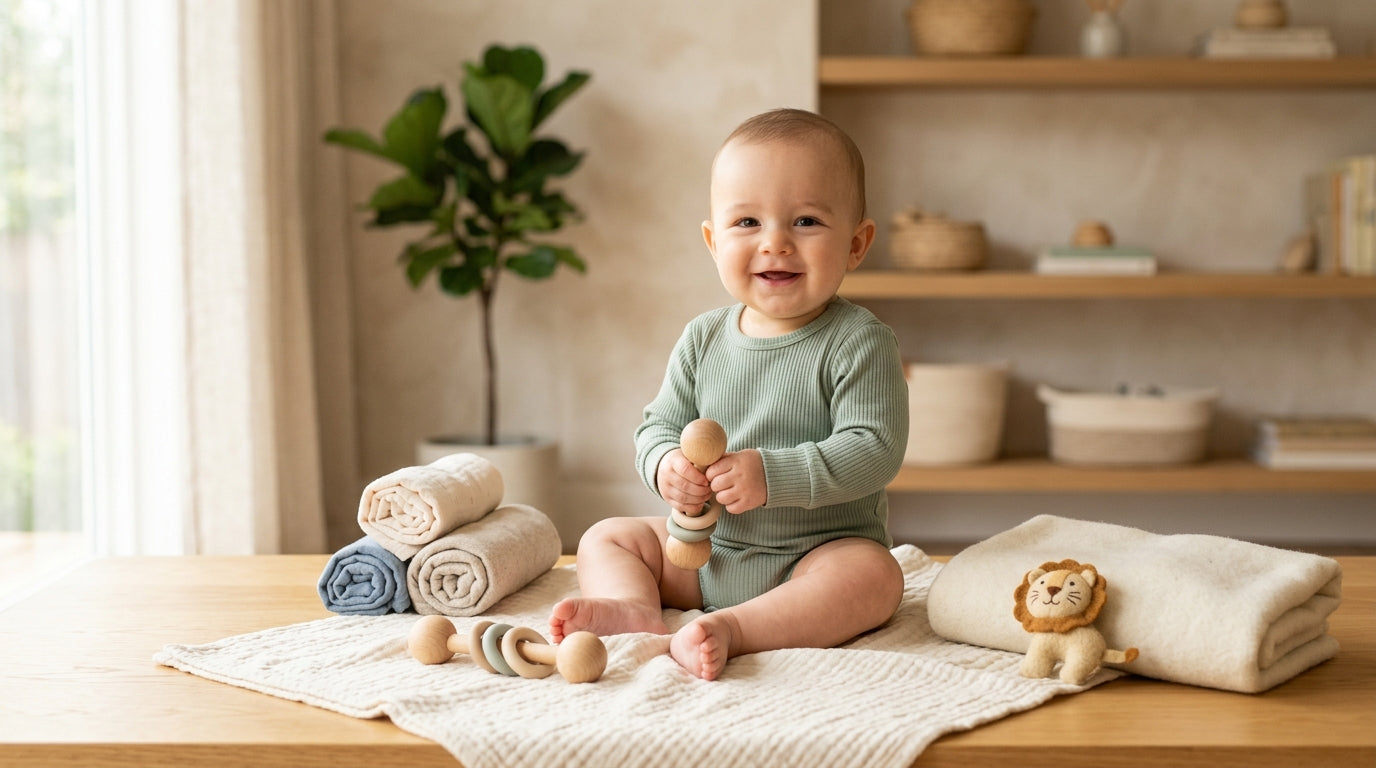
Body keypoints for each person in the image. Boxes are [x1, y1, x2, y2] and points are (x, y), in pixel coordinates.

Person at [549, 108, 909, 680]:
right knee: (606, 537)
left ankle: (738, 628)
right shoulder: (702, 338)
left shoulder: (859, 342)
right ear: (713, 242)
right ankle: (638, 609)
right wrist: (666, 465)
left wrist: (773, 474)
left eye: (808, 221)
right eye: (747, 223)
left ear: (857, 243)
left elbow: (875, 448)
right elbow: (657, 426)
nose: (776, 245)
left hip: (814, 557)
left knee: (876, 578)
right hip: (706, 554)